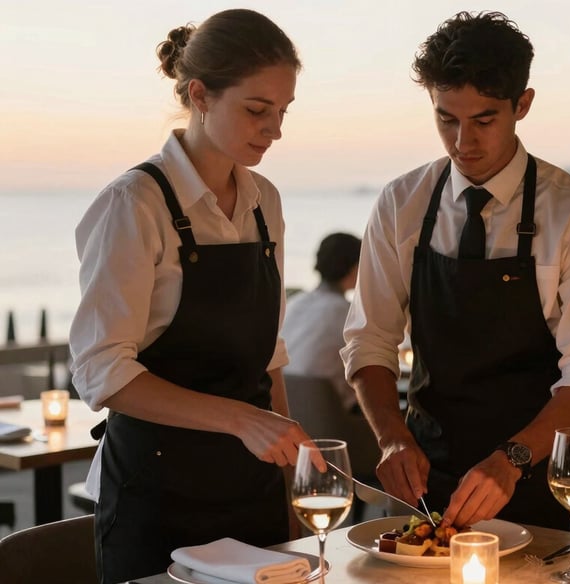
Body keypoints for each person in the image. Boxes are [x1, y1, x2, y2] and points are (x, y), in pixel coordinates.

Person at [341, 11, 570, 531]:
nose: (462, 141)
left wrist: (510, 460)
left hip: (534, 478)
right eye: (446, 119)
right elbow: (370, 338)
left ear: (523, 105)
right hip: (422, 479)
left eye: (484, 120)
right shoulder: (402, 203)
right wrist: (392, 437)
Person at [68, 10, 310, 584]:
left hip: (253, 495)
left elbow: (267, 354)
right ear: (200, 95)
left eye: (282, 112)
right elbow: (102, 373)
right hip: (156, 498)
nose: (273, 129)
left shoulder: (263, 201)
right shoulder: (134, 204)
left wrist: (294, 470)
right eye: (256, 110)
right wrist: (243, 422)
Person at [282, 232, 362, 412]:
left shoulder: (295, 303)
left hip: (288, 408)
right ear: (353, 268)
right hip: (334, 417)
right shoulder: (349, 314)